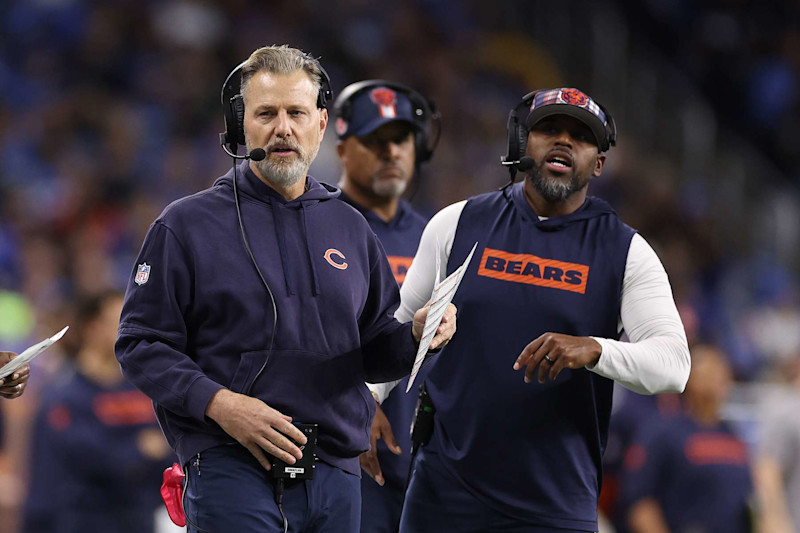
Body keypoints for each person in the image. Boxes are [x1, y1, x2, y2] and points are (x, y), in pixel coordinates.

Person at [115, 45, 456, 533]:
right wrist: (221, 404)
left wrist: (417, 334)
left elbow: (376, 348)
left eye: (296, 112)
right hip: (231, 464)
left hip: (337, 472)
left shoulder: (351, 227)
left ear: (320, 124)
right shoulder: (186, 225)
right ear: (240, 127)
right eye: (266, 113)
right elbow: (140, 343)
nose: (283, 128)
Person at [392, 87, 691, 532]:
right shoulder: (456, 223)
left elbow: (674, 366)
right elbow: (395, 335)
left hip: (554, 504)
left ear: (599, 162)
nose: (563, 141)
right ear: (520, 144)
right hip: (444, 494)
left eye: (580, 136)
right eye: (549, 128)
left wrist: (594, 349)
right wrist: (371, 402)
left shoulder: (627, 251)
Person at [332, 79, 440, 532]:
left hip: (433, 459)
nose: (392, 152)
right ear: (341, 149)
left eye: (401, 140)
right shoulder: (315, 225)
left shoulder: (439, 235)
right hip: (346, 456)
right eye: (375, 141)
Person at [23, 290, 172, 533]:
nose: (135, 329)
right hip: (84, 521)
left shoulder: (144, 392)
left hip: (142, 519)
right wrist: (139, 450)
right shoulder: (63, 396)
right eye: (122, 321)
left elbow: (169, 453)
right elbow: (89, 460)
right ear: (92, 328)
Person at [621, 344, 754, 533]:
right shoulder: (662, 432)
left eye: (720, 370)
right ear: (687, 377)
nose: (715, 377)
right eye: (706, 370)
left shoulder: (733, 435)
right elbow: (640, 503)